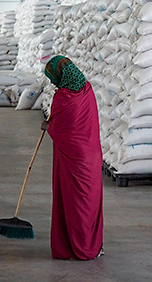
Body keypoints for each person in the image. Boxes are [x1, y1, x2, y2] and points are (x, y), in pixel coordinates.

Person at [43, 56, 104, 260]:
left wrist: (48, 126)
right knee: (89, 203)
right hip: (92, 157)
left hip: (72, 160)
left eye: (52, 78)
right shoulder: (87, 89)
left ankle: (76, 248)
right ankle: (91, 245)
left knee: (73, 203)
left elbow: (60, 129)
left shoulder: (63, 97)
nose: (52, 83)